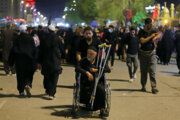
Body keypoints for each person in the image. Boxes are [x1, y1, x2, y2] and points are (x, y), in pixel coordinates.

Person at [75, 46, 111, 117]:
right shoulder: (84, 60)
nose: (89, 55)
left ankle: (102, 109)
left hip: (97, 81)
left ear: (95, 54)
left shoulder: (100, 61)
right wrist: (87, 72)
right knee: (85, 89)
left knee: (101, 89)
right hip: (86, 81)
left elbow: (108, 69)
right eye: (88, 53)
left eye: (91, 54)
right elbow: (77, 68)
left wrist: (97, 69)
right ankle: (86, 104)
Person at [38, 25, 65, 100]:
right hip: (56, 60)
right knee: (54, 77)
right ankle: (52, 94)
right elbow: (62, 48)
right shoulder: (58, 38)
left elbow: (40, 51)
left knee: (47, 76)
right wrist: (64, 57)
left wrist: (39, 61)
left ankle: (47, 89)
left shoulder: (43, 38)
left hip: (46, 61)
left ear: (48, 30)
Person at [9, 25, 36, 97]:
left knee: (20, 76)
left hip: (19, 60)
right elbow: (34, 50)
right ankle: (28, 84)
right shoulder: (30, 38)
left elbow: (13, 51)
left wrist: (11, 63)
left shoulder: (16, 38)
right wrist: (35, 60)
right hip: (29, 60)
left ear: (20, 31)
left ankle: (21, 91)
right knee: (28, 74)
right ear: (26, 30)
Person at [138, 18, 161, 94]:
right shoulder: (141, 32)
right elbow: (143, 41)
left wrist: (155, 38)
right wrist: (151, 37)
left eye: (151, 24)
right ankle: (143, 86)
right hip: (143, 54)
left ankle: (153, 87)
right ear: (146, 24)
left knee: (152, 71)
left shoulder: (153, 30)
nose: (151, 26)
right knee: (144, 71)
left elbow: (159, 34)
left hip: (152, 53)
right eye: (149, 24)